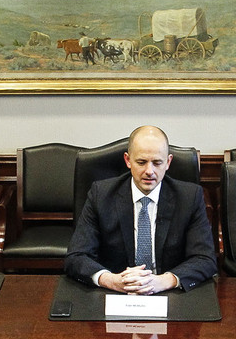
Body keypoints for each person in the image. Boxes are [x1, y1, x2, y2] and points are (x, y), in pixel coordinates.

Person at [65, 126, 217, 295]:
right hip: (116, 292)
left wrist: (163, 281)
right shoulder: (101, 195)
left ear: (168, 162)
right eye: (141, 162)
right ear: (128, 160)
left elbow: (205, 259)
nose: (149, 171)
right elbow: (76, 256)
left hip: (169, 292)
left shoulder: (189, 197)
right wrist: (111, 280)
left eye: (157, 163)